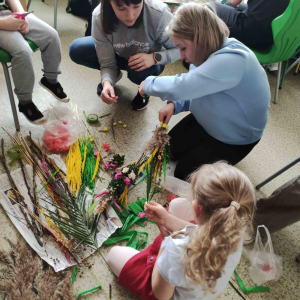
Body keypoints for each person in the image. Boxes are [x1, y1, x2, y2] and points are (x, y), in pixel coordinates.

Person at [139, 2, 270, 180]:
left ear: (200, 39)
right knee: (166, 151)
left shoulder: (233, 60)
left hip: (234, 139)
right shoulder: (206, 52)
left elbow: (184, 86)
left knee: (184, 173)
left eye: (183, 48)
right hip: (209, 117)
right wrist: (175, 105)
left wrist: (148, 83)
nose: (182, 56)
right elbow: (198, 87)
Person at [107, 162, 256, 300]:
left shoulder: (176, 249)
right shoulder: (234, 229)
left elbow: (161, 295)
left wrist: (166, 244)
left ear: (196, 208)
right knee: (177, 205)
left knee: (113, 254)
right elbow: (199, 232)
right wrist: (166, 219)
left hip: (171, 293)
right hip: (196, 285)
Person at [69, 0, 180, 111]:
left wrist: (154, 58)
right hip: (119, 54)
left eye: (136, 6)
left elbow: (180, 49)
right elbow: (106, 63)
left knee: (139, 70)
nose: (130, 16)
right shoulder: (99, 16)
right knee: (77, 49)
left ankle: (145, 89)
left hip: (149, 61)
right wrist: (107, 81)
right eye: (121, 8)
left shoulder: (159, 14)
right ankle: (115, 74)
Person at [0, 0, 69, 124]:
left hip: (8, 12)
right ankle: (25, 102)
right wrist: (5, 23)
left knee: (51, 35)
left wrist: (22, 16)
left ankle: (50, 80)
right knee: (23, 51)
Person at [214, 0, 290, 49]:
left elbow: (234, 2)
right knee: (240, 6)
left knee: (210, 5)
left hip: (252, 35)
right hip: (276, 39)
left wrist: (227, 5)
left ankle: (210, 50)